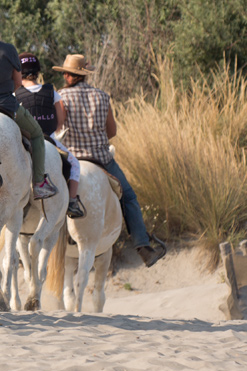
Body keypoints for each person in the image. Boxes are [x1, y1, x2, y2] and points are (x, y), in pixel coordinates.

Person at [53, 54, 166, 267]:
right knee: (130, 198)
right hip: (101, 159)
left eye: (66, 73)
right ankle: (143, 247)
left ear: (70, 76)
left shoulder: (61, 97)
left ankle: (31, 241)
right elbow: (111, 131)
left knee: (45, 189)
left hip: (72, 160)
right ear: (84, 75)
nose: (65, 75)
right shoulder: (102, 96)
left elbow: (58, 128)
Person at [0, 1, 60, 201]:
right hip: (5, 107)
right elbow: (17, 83)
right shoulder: (8, 50)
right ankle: (39, 183)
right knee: (38, 135)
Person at [15, 52, 85, 219]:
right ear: (38, 72)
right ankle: (72, 202)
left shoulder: (15, 95)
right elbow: (60, 121)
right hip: (49, 139)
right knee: (74, 164)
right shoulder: (51, 92)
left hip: (24, 141)